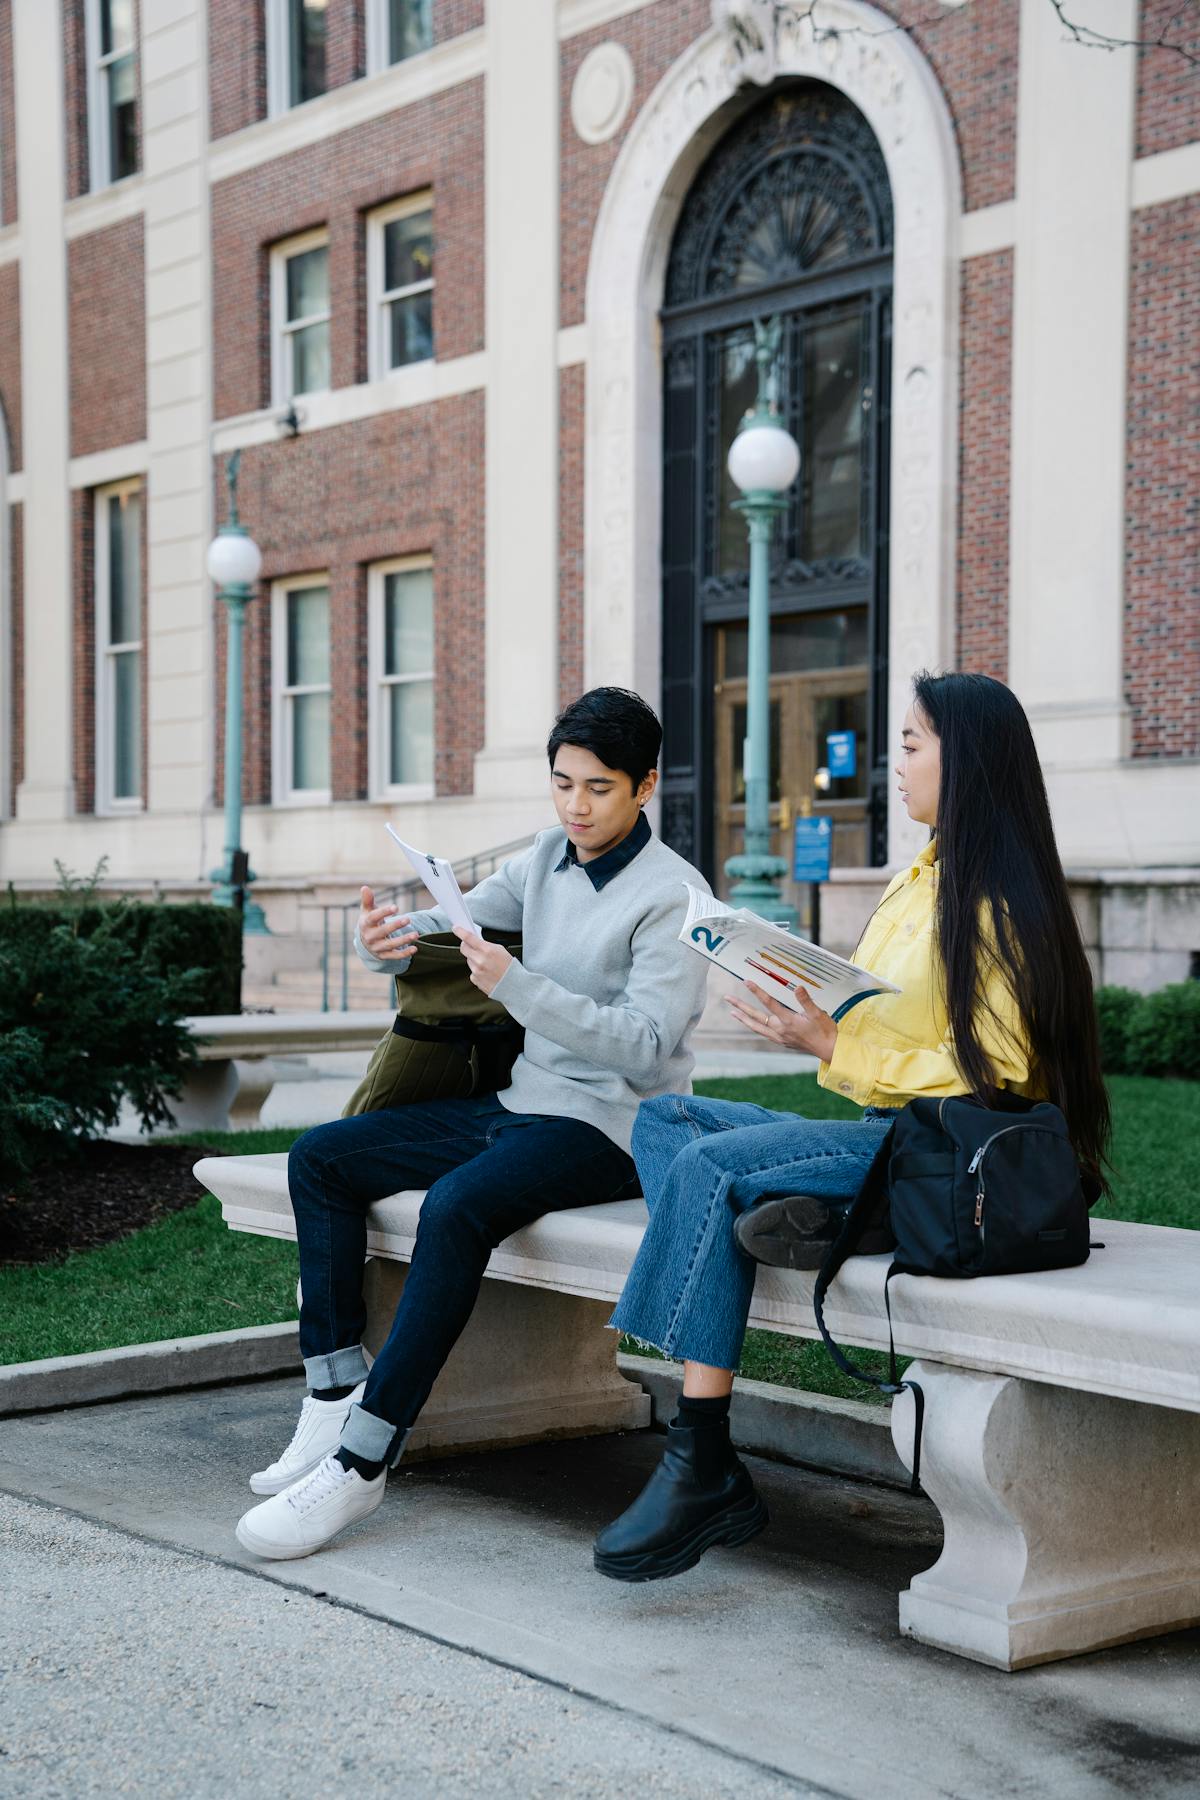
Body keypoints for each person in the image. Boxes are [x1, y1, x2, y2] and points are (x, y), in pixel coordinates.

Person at [594, 671, 1111, 1584]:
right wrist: (804, 1003)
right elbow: (881, 1017)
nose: (895, 761)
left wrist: (832, 1041)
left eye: (912, 743)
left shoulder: (996, 901)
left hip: (941, 1151)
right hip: (890, 1139)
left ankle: (702, 1454)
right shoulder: (923, 877)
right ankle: (843, 1220)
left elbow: (999, 1072)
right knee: (669, 1118)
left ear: (971, 759)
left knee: (712, 1170)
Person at [236, 687, 710, 1561]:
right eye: (562, 784)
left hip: (613, 1129)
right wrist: (380, 939)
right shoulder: (543, 857)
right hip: (524, 1104)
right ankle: (334, 1394)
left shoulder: (676, 896)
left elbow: (645, 1050)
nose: (575, 806)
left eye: (598, 788)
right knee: (323, 1159)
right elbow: (449, 922)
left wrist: (516, 986)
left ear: (645, 787)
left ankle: (361, 1463)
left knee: (456, 1207)